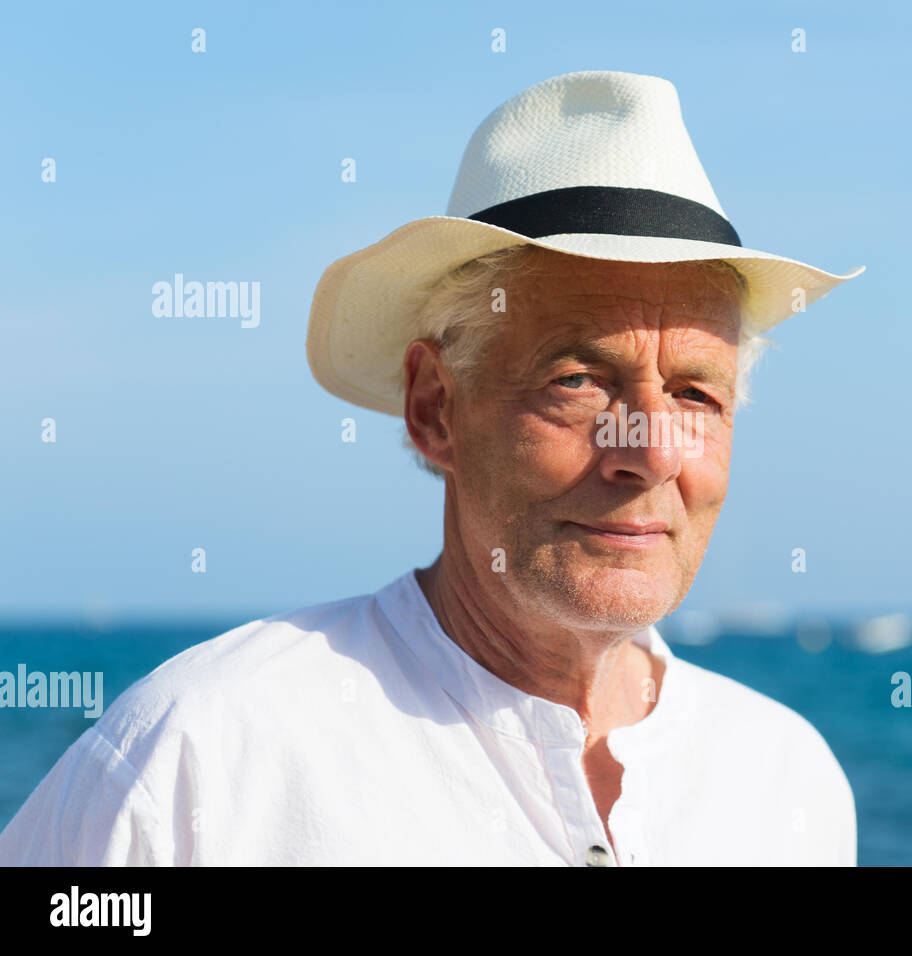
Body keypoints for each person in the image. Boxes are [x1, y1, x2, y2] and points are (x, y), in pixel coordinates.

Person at [0, 69, 863, 866]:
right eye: (578, 380)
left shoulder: (787, 782)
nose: (651, 453)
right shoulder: (199, 764)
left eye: (696, 395)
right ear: (434, 409)